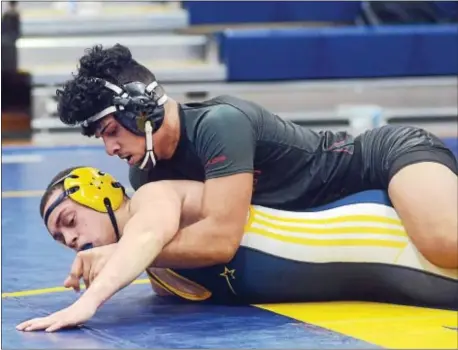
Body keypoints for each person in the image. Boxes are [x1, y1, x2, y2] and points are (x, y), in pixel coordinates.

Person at [55, 44, 458, 271]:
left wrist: (120, 253)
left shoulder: (221, 124)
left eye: (110, 131)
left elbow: (218, 241)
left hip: (382, 157)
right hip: (329, 211)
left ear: (141, 109)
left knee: (444, 244)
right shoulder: (146, 176)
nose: (109, 149)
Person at [16, 166, 458, 332]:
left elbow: (148, 238)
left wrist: (88, 304)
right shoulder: (162, 277)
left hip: (374, 232)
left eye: (70, 222)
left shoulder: (154, 198)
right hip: (386, 279)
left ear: (103, 195)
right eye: (61, 240)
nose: (71, 240)